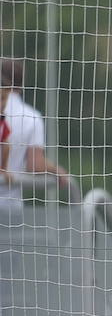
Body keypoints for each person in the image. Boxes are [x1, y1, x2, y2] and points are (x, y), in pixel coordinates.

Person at [0, 58, 69, 215]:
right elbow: (35, 165)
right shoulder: (32, 117)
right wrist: (57, 169)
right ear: (21, 84)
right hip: (10, 207)